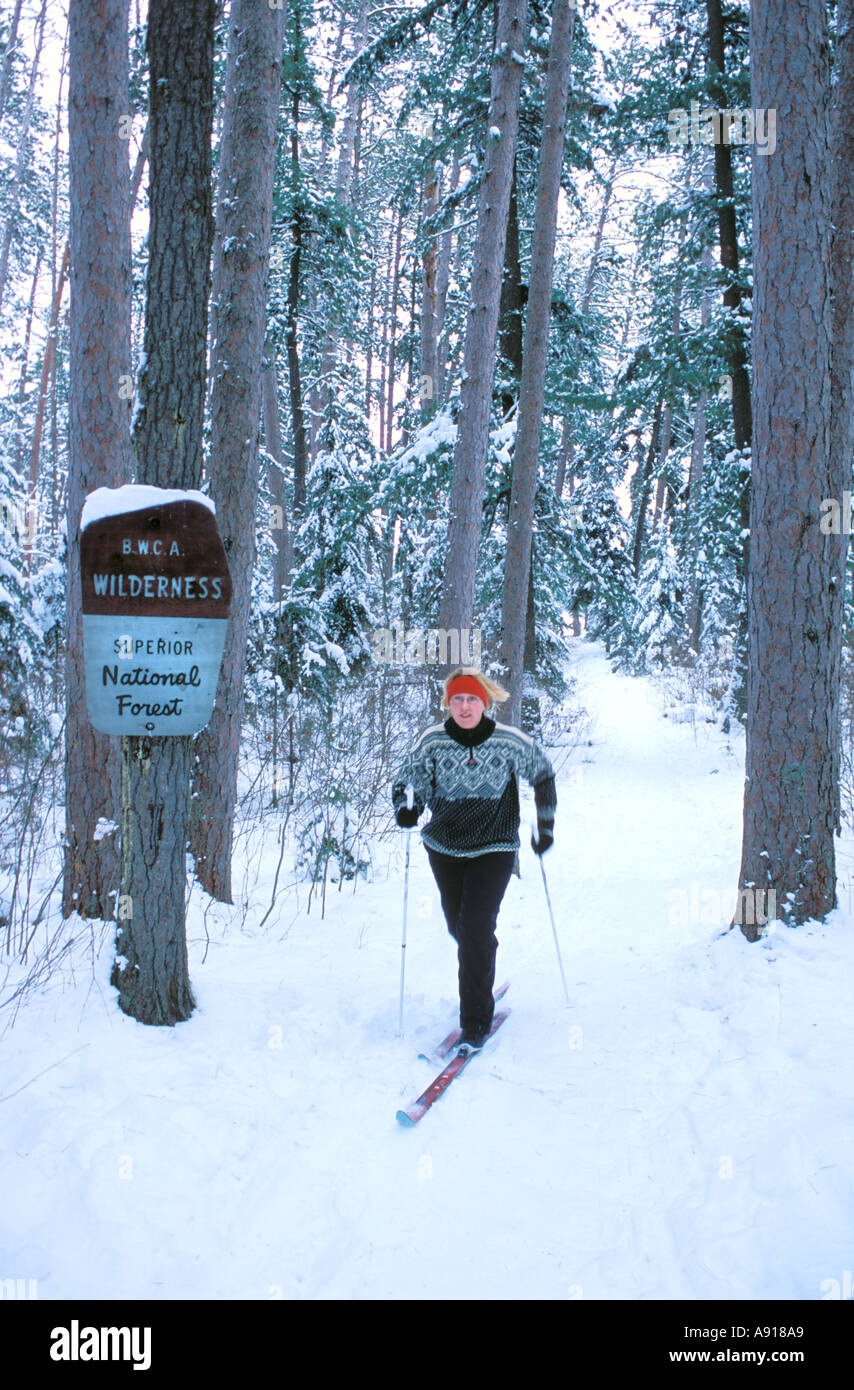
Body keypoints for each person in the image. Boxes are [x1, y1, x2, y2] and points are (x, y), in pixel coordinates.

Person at [391, 666, 556, 1051]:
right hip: (445, 848)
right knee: (461, 930)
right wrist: (406, 808)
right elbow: (407, 781)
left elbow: (543, 774)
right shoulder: (432, 740)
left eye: (472, 699)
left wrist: (544, 828)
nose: (464, 706)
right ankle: (480, 958)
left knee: (475, 929)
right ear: (449, 704)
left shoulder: (507, 740)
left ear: (485, 702)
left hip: (494, 847)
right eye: (457, 699)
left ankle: (475, 1021)